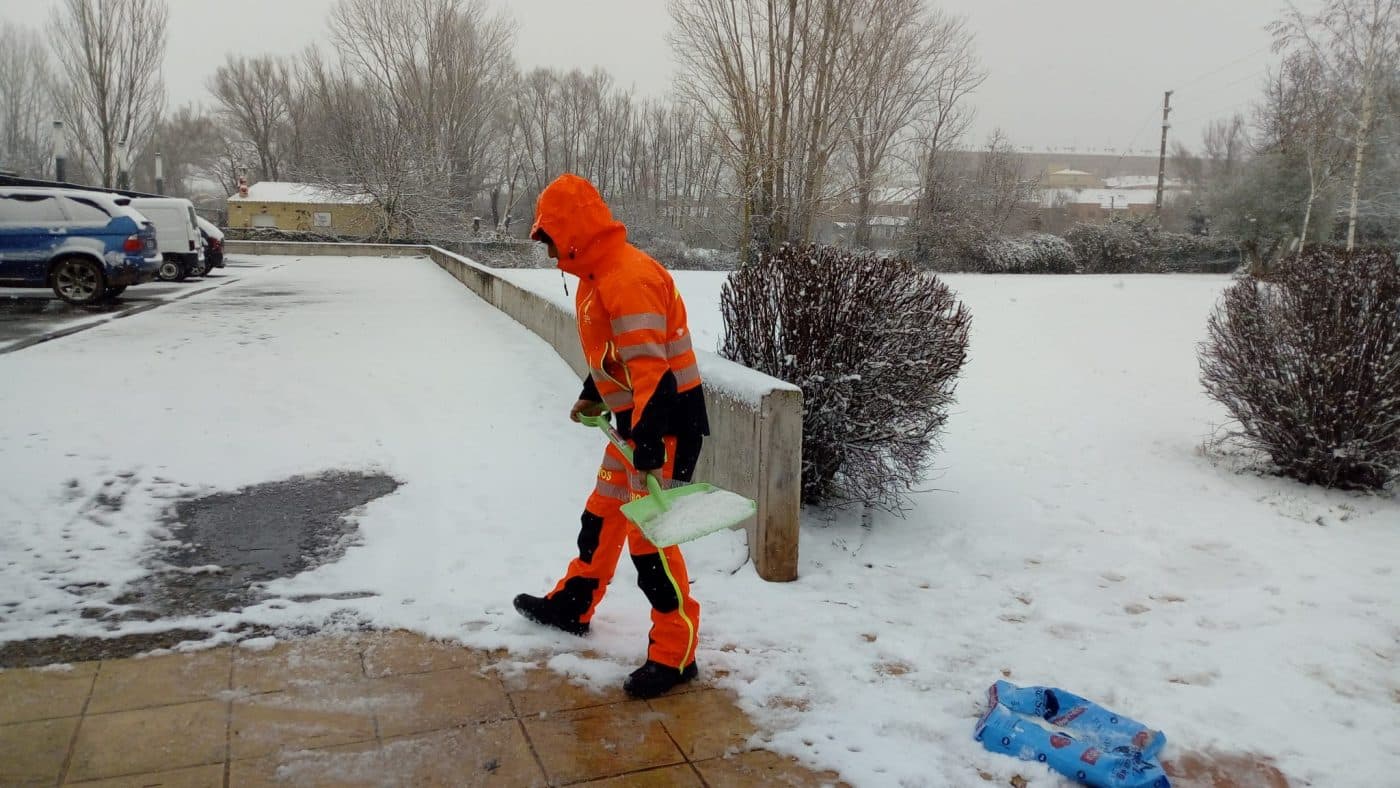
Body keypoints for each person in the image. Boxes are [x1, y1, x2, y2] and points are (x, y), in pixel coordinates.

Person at [513, 173, 710, 700]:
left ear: (572, 229)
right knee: (600, 516)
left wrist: (647, 445)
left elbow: (655, 373)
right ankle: (573, 604)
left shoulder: (628, 277)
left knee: (651, 545)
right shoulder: (593, 276)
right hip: (635, 421)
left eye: (548, 237)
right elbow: (614, 355)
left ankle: (676, 652)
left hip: (665, 425)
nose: (546, 248)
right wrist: (594, 392)